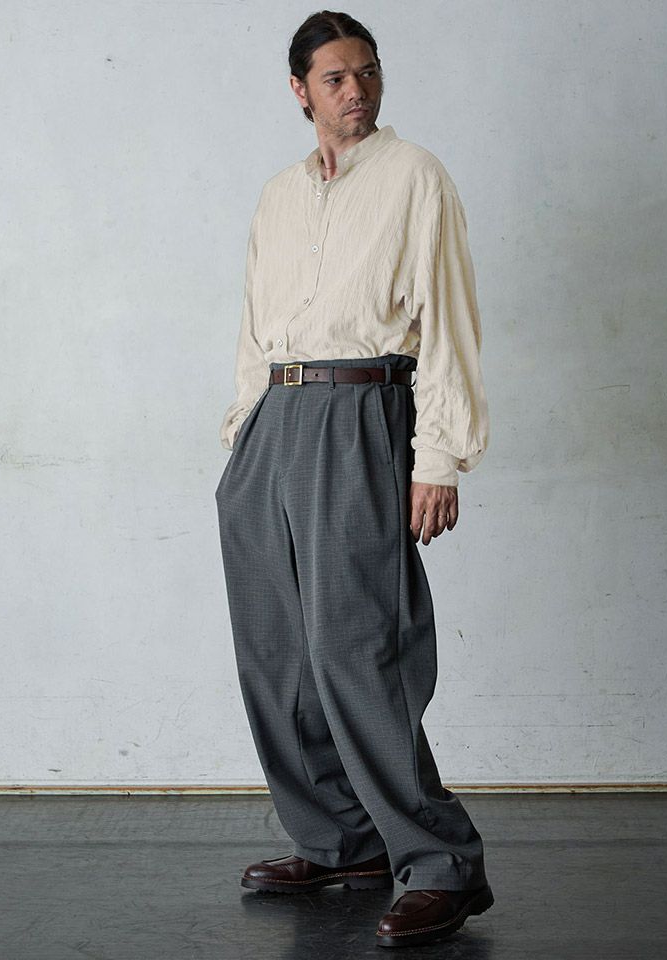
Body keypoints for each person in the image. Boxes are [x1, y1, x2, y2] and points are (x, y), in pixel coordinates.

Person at [215, 10, 493, 948]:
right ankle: (341, 841)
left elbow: (449, 322)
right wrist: (243, 439)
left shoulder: (415, 177)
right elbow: (255, 326)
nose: (357, 91)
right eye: (335, 77)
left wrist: (438, 458)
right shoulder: (278, 196)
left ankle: (441, 862)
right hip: (275, 422)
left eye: (367, 72)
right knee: (278, 653)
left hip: (362, 411)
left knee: (358, 646)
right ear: (300, 91)